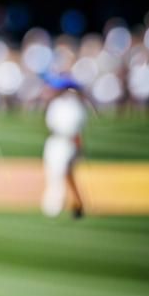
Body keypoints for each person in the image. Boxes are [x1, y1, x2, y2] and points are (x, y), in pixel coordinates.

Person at [41, 78, 88, 218]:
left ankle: (56, 205)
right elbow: (51, 124)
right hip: (55, 140)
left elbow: (75, 127)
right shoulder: (56, 104)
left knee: (62, 172)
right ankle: (55, 203)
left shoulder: (75, 105)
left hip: (68, 142)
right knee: (52, 172)